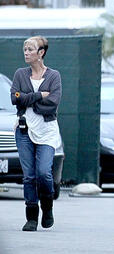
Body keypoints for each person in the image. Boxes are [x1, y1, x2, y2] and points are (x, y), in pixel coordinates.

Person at [10, 36, 62, 232]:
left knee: (43, 173)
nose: (26, 52)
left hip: (47, 130)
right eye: (25, 49)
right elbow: (15, 98)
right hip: (24, 130)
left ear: (41, 53)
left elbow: (53, 103)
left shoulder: (54, 76)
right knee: (29, 176)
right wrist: (40, 95)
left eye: (30, 49)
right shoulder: (20, 74)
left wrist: (27, 99)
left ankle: (47, 208)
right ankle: (31, 216)